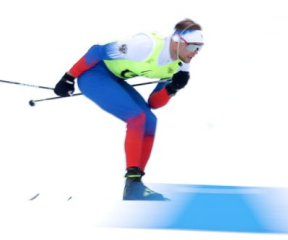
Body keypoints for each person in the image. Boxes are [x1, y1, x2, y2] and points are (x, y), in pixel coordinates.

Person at [52, 19, 203, 201]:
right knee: (136, 117)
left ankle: (135, 186)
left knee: (149, 120)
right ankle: (132, 185)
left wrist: (172, 89)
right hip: (93, 74)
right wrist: (68, 78)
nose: (196, 53)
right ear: (178, 41)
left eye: (199, 48)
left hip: (114, 79)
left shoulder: (181, 64)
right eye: (193, 47)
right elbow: (96, 51)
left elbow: (154, 103)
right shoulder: (145, 45)